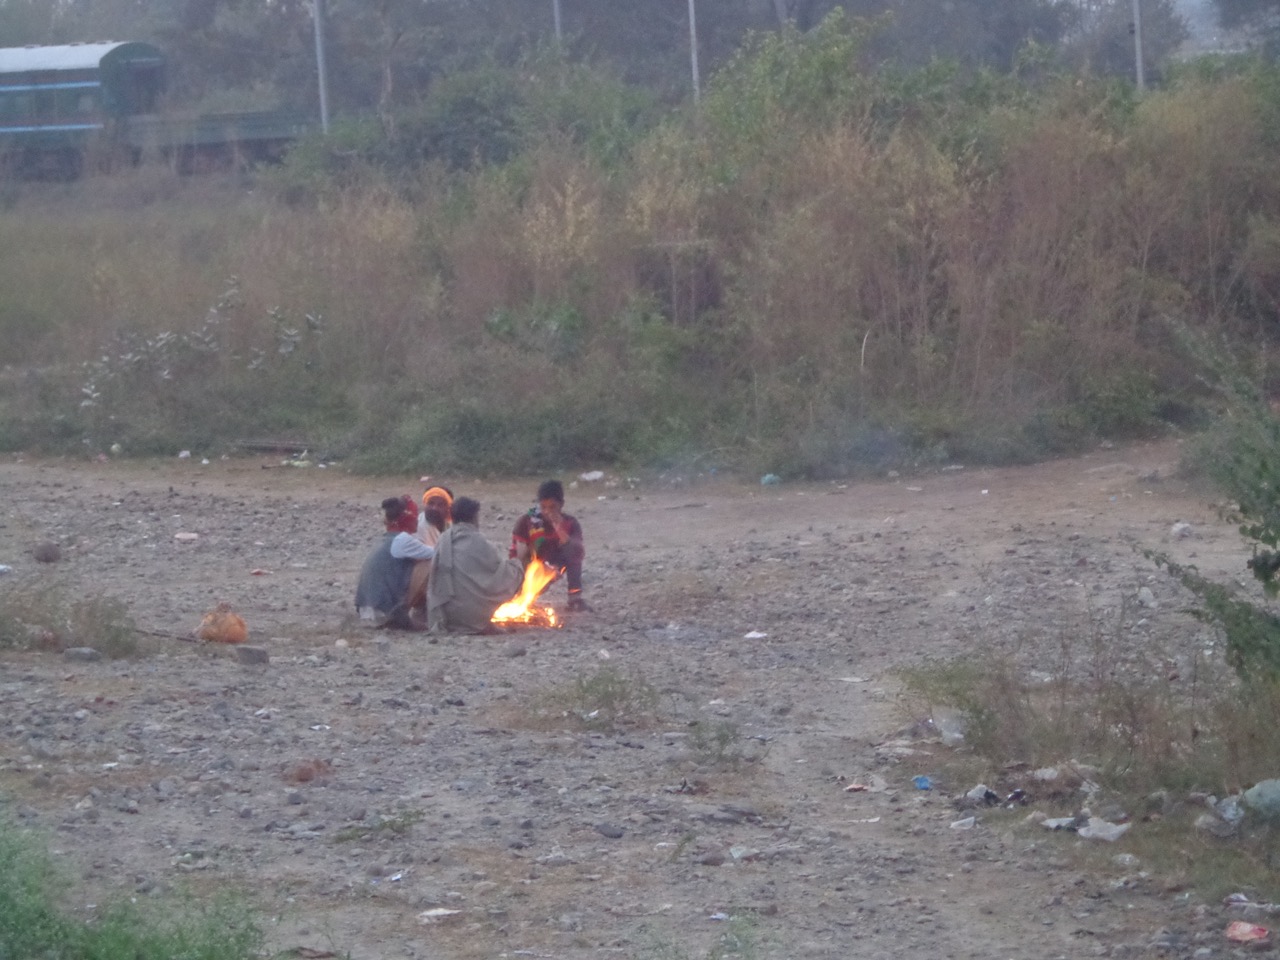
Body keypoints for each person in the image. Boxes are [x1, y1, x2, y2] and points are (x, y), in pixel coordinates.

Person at [427, 496, 526, 633]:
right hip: (471, 617)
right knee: (513, 572)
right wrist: (519, 561)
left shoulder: (443, 539)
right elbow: (503, 576)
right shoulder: (479, 542)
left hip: (445, 616)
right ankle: (479, 622)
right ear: (474, 518)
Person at [354, 495, 434, 630]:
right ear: (407, 518)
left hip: (366, 609)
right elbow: (438, 552)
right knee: (428, 564)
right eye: (415, 515)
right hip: (383, 610)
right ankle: (418, 614)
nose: (417, 520)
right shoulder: (402, 540)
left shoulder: (386, 539)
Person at [510, 479, 587, 611]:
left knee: (574, 550)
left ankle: (575, 598)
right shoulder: (527, 521)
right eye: (543, 507)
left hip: (556, 566)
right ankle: (519, 596)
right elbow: (517, 555)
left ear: (561, 505)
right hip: (532, 569)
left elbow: (576, 551)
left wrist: (558, 527)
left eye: (552, 507)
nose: (547, 512)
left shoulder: (571, 523)